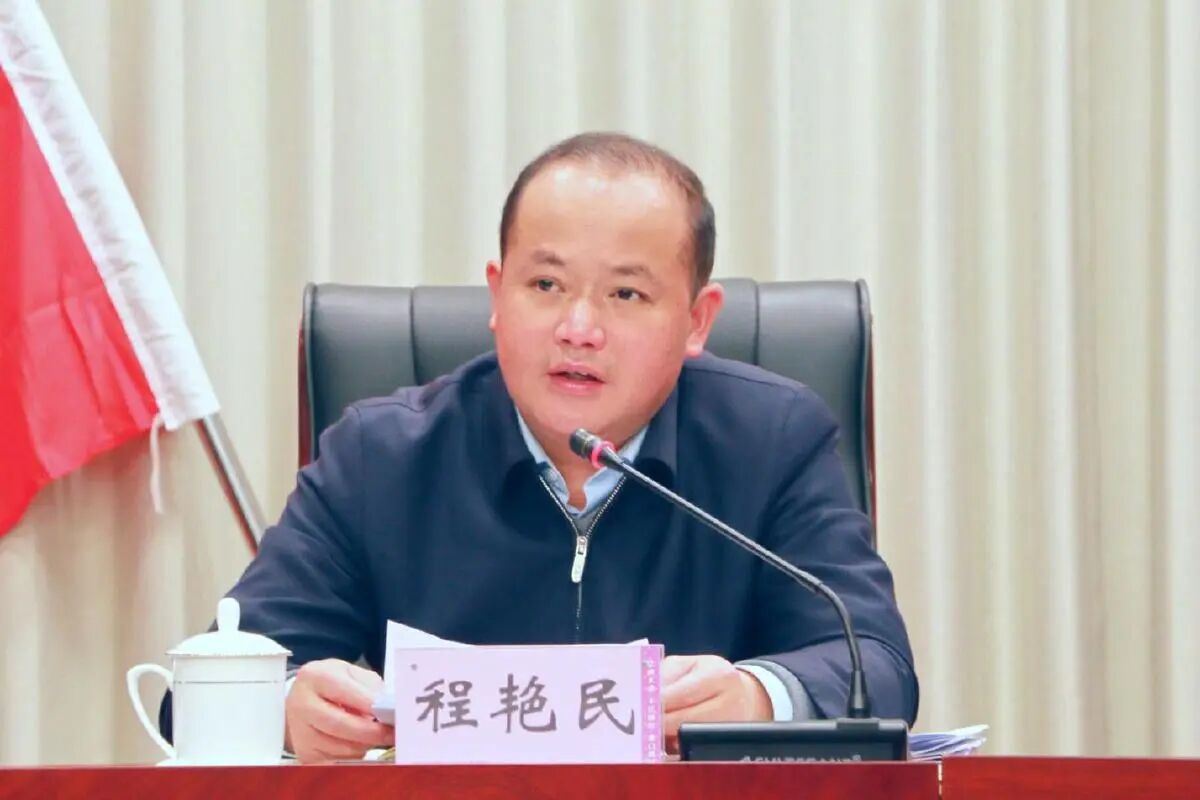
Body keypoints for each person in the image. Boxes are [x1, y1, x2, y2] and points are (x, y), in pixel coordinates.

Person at [160, 132, 918, 763]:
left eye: (625, 294)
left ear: (697, 320)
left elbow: (875, 667)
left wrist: (756, 697)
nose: (578, 328)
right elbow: (192, 695)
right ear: (497, 295)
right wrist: (288, 707)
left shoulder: (771, 440)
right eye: (546, 285)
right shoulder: (383, 456)